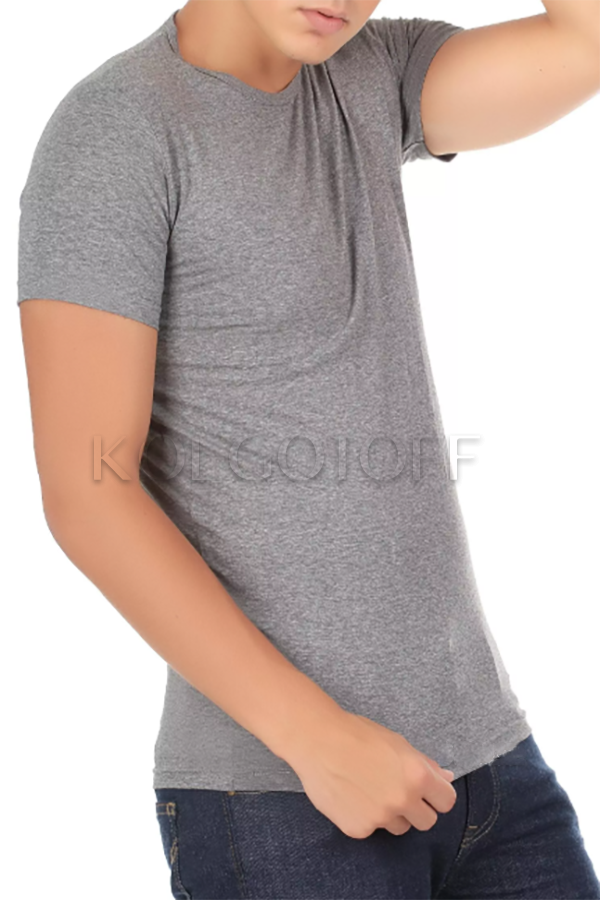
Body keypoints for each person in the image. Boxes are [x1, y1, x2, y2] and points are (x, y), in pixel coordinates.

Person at [17, 1, 600, 897]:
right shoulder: (118, 128)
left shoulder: (376, 72)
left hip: (489, 767)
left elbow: (584, 41)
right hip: (283, 798)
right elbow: (88, 490)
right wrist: (316, 740)